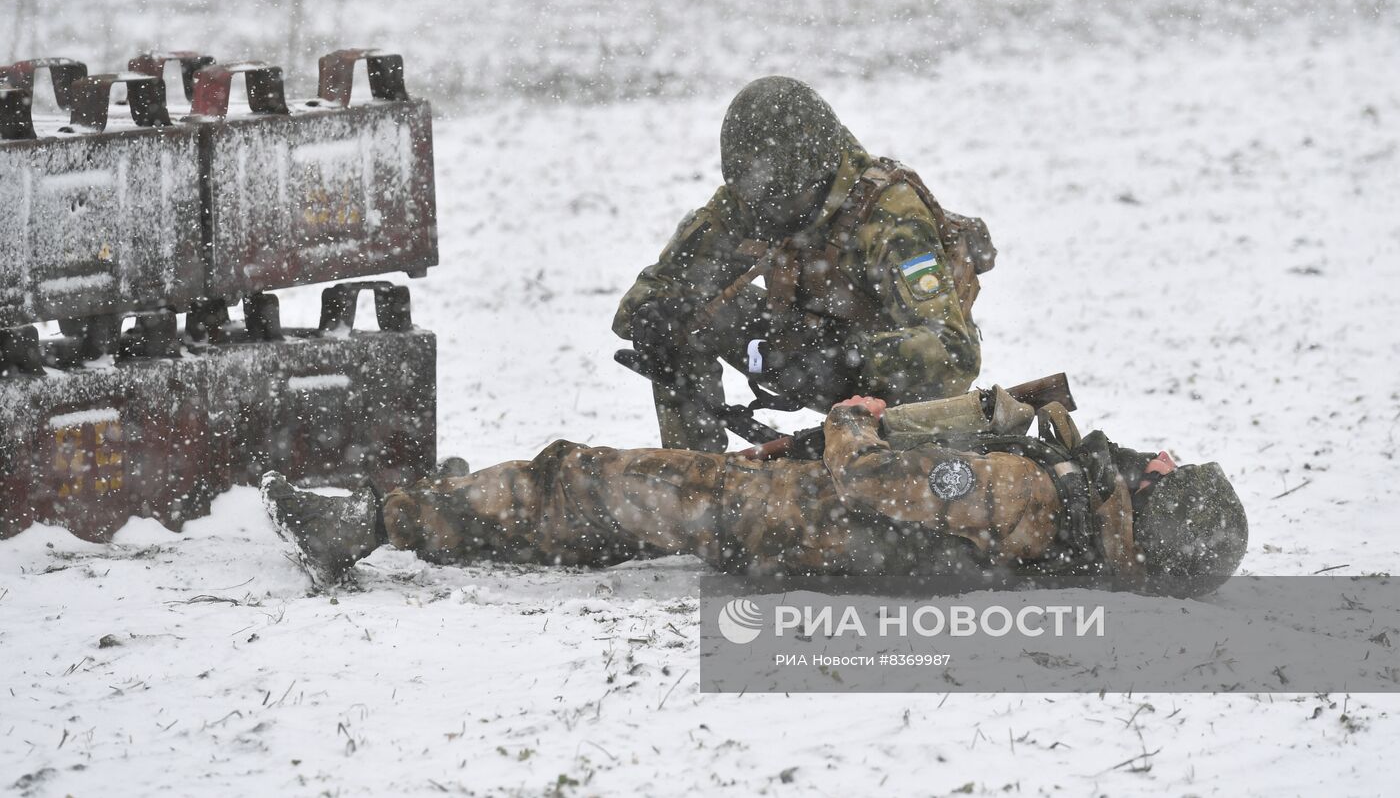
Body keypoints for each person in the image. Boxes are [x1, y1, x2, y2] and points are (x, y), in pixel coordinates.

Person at [261, 390, 1248, 597]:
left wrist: (852, 419)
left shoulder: (1011, 488)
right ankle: (429, 516)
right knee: (581, 523)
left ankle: (372, 519)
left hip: (767, 512)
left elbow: (870, 482)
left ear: (1154, 498)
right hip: (782, 526)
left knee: (580, 484)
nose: (1156, 458)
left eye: (1169, 474)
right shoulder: (1073, 521)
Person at [613, 76, 996, 451]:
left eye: (783, 202)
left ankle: (881, 467)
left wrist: (852, 356)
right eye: (757, 200)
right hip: (792, 352)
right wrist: (652, 316)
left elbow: (955, 353)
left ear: (822, 177)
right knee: (676, 313)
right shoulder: (747, 201)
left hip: (882, 386)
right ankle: (694, 479)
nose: (766, 215)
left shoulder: (889, 213)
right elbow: (649, 294)